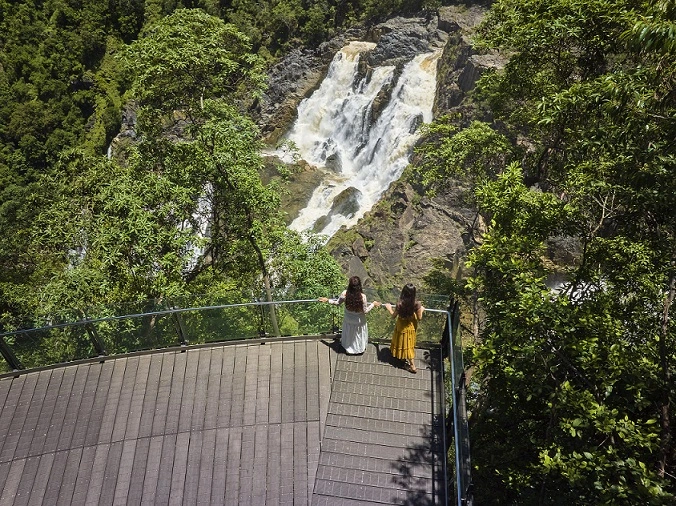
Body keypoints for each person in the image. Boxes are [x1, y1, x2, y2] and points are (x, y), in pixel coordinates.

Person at [319, 276, 379, 354]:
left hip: (348, 319)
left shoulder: (345, 293)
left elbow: (337, 303)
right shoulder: (362, 297)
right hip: (359, 321)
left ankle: (349, 349)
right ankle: (359, 349)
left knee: (350, 334)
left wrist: (327, 300)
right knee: (358, 335)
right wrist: (373, 304)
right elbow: (365, 311)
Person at [384, 283, 424, 373]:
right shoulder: (416, 304)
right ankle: (403, 358)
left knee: (404, 343)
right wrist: (421, 310)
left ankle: (412, 366)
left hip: (401, 326)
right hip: (410, 326)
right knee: (408, 344)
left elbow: (393, 316)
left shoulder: (400, 304)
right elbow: (420, 318)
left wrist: (389, 308)